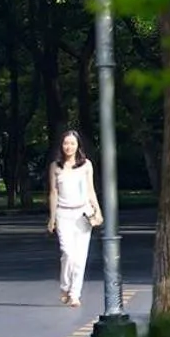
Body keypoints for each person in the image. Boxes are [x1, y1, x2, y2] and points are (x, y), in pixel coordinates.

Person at [46, 129, 102, 308]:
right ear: (61, 146)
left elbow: (90, 190)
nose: (68, 147)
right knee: (68, 253)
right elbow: (53, 193)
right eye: (65, 143)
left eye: (72, 143)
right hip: (63, 214)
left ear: (78, 146)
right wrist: (52, 218)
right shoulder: (55, 166)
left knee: (80, 257)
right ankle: (64, 286)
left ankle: (75, 294)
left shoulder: (86, 165)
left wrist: (98, 211)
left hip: (82, 214)